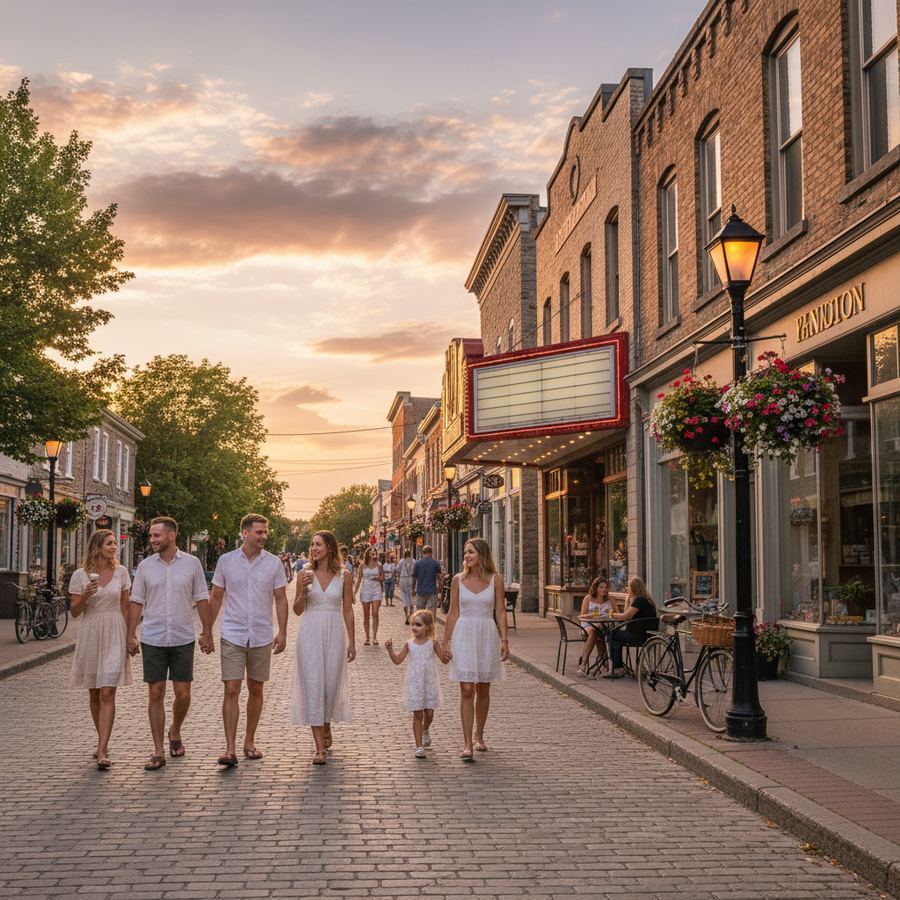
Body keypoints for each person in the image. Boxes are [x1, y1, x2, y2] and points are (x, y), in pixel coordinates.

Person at [127, 517, 213, 771]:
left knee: (183, 694)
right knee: (155, 692)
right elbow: (136, 601)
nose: (152, 540)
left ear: (172, 536)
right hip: (153, 636)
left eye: (156, 536)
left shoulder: (192, 564)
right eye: (151, 536)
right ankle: (158, 750)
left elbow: (202, 598)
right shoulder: (145, 567)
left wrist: (207, 631)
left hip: (182, 636)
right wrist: (131, 634)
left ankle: (175, 730)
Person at [209, 514, 289, 767]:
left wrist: (283, 631)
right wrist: (206, 630)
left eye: (265, 532)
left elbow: (281, 599)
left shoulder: (274, 564)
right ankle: (230, 748)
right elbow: (216, 597)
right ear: (245, 533)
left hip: (261, 634)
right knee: (231, 688)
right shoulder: (226, 561)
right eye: (259, 532)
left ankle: (249, 741)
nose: (264, 536)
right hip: (232, 632)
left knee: (256, 688)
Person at [68, 529, 132, 770]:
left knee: (107, 692)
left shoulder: (122, 573)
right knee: (94, 693)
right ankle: (101, 739)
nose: (114, 547)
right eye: (109, 543)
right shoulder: (80, 575)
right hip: (91, 631)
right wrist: (84, 595)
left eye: (115, 543)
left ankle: (103, 749)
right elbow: (74, 611)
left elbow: (125, 607)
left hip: (114, 630)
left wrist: (129, 636)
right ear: (97, 546)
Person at [291, 530, 356, 765]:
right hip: (310, 632)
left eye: (318, 544)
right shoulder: (304, 574)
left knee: (330, 686)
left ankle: (326, 721)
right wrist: (302, 591)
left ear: (329, 547)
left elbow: (347, 610)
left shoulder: (344, 575)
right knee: (314, 686)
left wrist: (353, 641)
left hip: (333, 632)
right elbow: (297, 610)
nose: (314, 548)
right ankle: (319, 748)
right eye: (312, 545)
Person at [442, 538, 509, 761]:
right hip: (463, 634)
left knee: (483, 690)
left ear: (482, 554)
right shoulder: (457, 580)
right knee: (467, 689)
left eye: (471, 552)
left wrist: (504, 640)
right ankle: (467, 743)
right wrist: (446, 642)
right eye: (465, 553)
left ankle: (480, 735)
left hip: (486, 634)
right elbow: (452, 612)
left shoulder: (495, 580)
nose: (467, 556)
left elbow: (500, 611)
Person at [385, 609, 445, 758]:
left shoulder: (433, 643)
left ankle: (425, 729)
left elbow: (444, 660)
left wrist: (449, 654)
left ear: (428, 627)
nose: (414, 627)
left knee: (429, 713)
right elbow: (398, 660)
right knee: (417, 714)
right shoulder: (409, 644)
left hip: (429, 681)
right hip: (414, 683)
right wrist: (390, 650)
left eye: (418, 624)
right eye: (412, 624)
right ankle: (419, 746)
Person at [605, 575, 658, 679]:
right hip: (647, 635)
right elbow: (627, 615)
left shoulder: (639, 600)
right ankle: (618, 666)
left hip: (636, 636)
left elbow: (626, 616)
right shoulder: (648, 600)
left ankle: (618, 667)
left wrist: (612, 615)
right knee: (615, 634)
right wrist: (628, 600)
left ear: (633, 588)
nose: (627, 590)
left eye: (629, 588)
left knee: (612, 634)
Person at [576, 576, 612, 677]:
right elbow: (580, 617)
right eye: (601, 587)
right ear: (596, 588)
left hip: (604, 626)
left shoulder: (610, 599)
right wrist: (592, 615)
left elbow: (617, 614)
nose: (604, 589)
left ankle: (603, 663)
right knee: (594, 632)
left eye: (606, 587)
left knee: (604, 634)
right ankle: (583, 664)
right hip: (587, 626)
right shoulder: (588, 599)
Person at [355, 547, 384, 646]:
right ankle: (367, 637)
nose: (373, 554)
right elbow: (359, 579)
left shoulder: (379, 565)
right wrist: (354, 593)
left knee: (375, 613)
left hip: (376, 590)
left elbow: (382, 577)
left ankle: (375, 637)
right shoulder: (362, 565)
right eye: (371, 552)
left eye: (374, 552)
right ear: (367, 554)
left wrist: (378, 578)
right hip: (365, 590)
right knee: (366, 615)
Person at [412, 545, 442, 613]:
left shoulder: (418, 563)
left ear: (422, 552)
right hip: (432, 592)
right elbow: (440, 577)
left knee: (420, 613)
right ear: (431, 553)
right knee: (431, 614)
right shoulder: (435, 563)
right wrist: (439, 587)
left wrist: (413, 589)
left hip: (420, 591)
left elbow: (414, 578)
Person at [398, 549, 415, 624]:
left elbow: (397, 569)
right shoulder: (413, 561)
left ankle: (406, 616)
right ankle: (410, 616)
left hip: (403, 579)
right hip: (411, 579)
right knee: (411, 598)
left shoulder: (402, 561)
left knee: (404, 597)